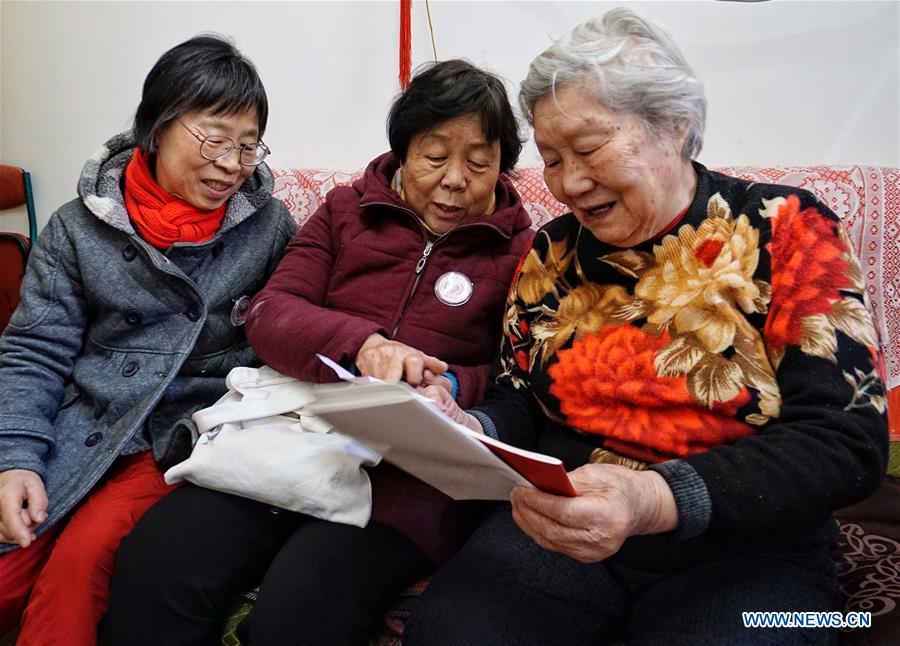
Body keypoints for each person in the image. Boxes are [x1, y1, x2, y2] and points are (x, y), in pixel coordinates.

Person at [405, 8, 889, 646]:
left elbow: (846, 441)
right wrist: (474, 428)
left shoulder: (788, 228)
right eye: (551, 159)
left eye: (588, 148)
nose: (569, 183)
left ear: (676, 126)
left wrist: (654, 499)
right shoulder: (550, 254)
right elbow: (520, 397)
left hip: (754, 551)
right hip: (567, 533)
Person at [100, 59, 534, 645]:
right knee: (155, 568)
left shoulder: (527, 253)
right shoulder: (344, 212)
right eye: (435, 157)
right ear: (403, 152)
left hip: (404, 483)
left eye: (479, 163)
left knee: (297, 618)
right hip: (290, 440)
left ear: (503, 168)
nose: (455, 179)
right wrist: (364, 345)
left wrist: (453, 388)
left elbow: (518, 380)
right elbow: (272, 313)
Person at [0, 35, 295, 646]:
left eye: (247, 146)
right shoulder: (78, 227)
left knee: (80, 569)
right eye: (214, 138)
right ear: (156, 128)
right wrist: (16, 458)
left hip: (177, 437)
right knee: (9, 565)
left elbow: (287, 331)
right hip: (81, 425)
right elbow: (34, 351)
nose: (230, 164)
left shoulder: (267, 227)